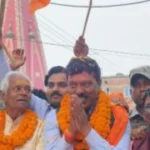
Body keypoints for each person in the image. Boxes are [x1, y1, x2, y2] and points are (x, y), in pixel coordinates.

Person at [43, 57, 130, 150]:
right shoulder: (54, 116)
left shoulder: (119, 116)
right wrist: (71, 130)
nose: (79, 91)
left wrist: (86, 129)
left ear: (99, 84)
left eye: (86, 84)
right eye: (73, 85)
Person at [0, 71, 44, 150]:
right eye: (17, 89)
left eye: (28, 90)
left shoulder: (41, 127)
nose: (24, 93)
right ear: (3, 95)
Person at [129, 65, 150, 150]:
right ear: (131, 92)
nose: (142, 89)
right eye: (137, 85)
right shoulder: (124, 120)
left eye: (146, 83)